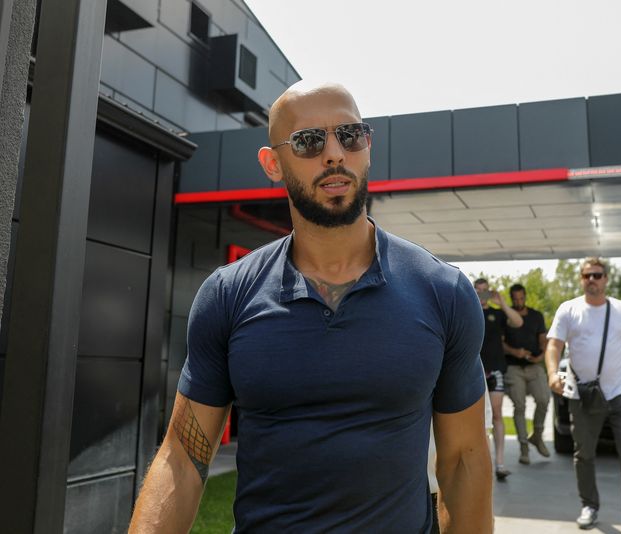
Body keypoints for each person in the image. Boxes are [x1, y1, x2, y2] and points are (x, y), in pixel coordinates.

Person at [129, 81, 493, 533]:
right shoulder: (228, 294)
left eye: (350, 135)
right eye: (308, 141)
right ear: (273, 164)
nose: (335, 153)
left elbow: (464, 461)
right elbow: (183, 459)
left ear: (368, 148)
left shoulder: (442, 290)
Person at [545, 258, 621, 533]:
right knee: (585, 453)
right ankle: (589, 505)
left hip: (619, 392)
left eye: (597, 275)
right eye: (587, 275)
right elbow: (554, 345)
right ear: (581, 279)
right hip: (583, 394)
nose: (592, 279)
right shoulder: (568, 309)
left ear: (605, 279)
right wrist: (552, 373)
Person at [473, 278, 523, 481]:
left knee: (496, 415)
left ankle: (500, 463)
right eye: (478, 291)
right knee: (476, 420)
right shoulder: (468, 311)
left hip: (495, 371)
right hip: (473, 372)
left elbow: (518, 322)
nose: (482, 294)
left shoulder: (497, 313)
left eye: (485, 291)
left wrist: (501, 302)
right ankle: (480, 463)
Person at [502, 283, 550, 462]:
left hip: (534, 365)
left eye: (521, 298)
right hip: (513, 367)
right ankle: (524, 449)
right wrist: (515, 352)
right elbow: (500, 343)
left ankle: (537, 435)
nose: (518, 301)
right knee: (519, 406)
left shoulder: (536, 316)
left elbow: (543, 340)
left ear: (525, 297)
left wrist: (541, 356)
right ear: (511, 298)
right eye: (515, 299)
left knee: (544, 399)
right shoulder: (506, 318)